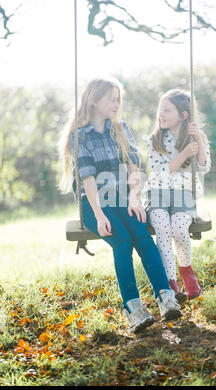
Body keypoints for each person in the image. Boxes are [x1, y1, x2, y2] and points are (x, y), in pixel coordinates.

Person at [58, 78, 182, 333]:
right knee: (123, 241)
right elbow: (88, 178)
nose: (117, 104)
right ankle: (133, 308)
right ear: (95, 100)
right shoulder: (80, 135)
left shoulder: (121, 128)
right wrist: (99, 214)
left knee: (143, 237)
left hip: (125, 199)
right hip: (94, 205)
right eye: (111, 99)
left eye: (118, 99)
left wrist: (134, 197)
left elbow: (133, 165)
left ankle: (166, 297)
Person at [143, 89, 211, 303]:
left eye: (167, 110)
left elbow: (203, 167)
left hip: (184, 194)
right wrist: (183, 155)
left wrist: (198, 139)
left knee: (180, 229)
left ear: (183, 115)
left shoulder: (193, 137)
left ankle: (187, 271)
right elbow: (161, 171)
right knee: (162, 227)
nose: (160, 114)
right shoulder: (154, 140)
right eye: (160, 109)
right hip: (158, 193)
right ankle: (171, 283)